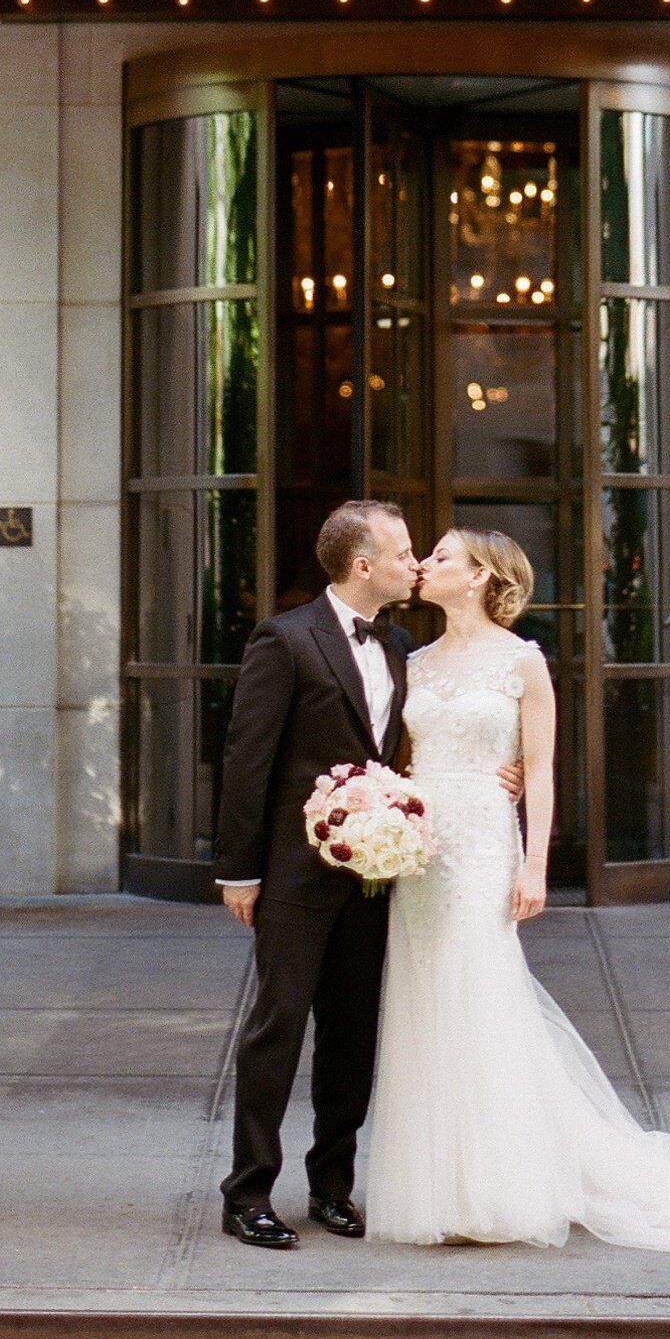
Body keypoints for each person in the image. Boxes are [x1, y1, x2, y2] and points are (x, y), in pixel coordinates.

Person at [366, 526, 670, 1250]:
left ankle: (499, 1183)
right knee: (423, 994)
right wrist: (384, 810)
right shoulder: (415, 658)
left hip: (482, 848)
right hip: (421, 849)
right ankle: (441, 1181)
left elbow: (539, 768)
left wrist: (535, 864)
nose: (423, 564)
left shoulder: (521, 661)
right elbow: (400, 752)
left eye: (439, 556)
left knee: (479, 990)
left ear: (478, 576)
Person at [214, 498, 455, 1248]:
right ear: (362, 565)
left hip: (374, 875)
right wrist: (238, 873)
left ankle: (331, 1186)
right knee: (277, 1027)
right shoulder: (283, 640)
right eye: (402, 550)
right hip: (291, 873)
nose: (413, 562)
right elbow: (246, 760)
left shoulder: (401, 643)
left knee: (351, 1034)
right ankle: (247, 1191)